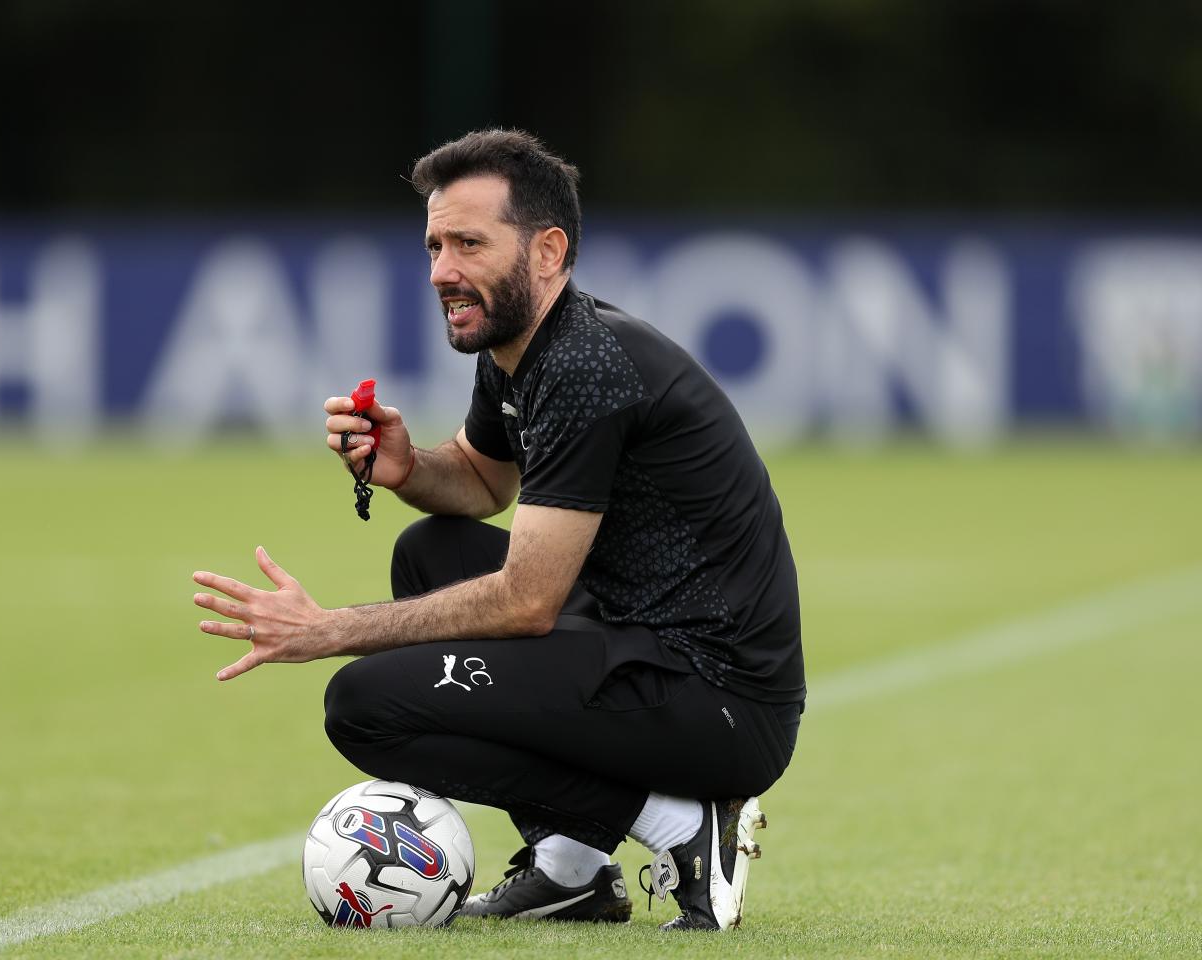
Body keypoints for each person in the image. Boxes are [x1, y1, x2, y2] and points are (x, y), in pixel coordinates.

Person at [191, 129, 805, 931]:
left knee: (363, 706)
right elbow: (483, 483)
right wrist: (409, 467)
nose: (442, 271)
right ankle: (571, 871)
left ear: (548, 251)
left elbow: (526, 603)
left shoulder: (584, 364)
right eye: (435, 245)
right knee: (432, 551)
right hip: (647, 646)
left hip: (720, 703)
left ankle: (681, 827)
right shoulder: (521, 347)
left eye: (470, 244)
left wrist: (329, 629)